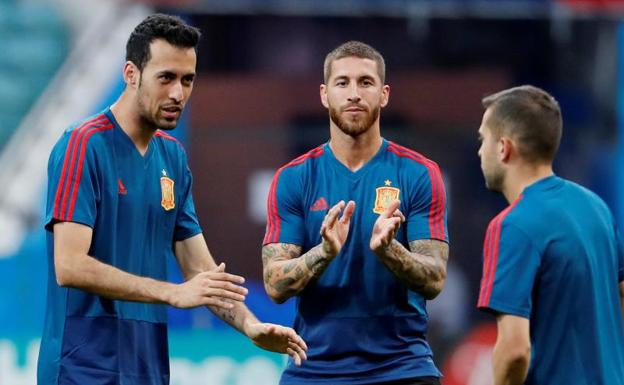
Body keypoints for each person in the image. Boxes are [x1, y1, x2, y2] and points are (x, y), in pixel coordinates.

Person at [38, 14, 307, 385]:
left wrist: (251, 325)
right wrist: (173, 293)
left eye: (187, 80)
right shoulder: (83, 145)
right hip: (82, 368)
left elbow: (200, 273)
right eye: (165, 78)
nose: (178, 94)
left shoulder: (173, 158)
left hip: (147, 367)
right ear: (131, 74)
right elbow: (69, 265)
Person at [261, 41, 449, 385]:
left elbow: (435, 278)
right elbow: (274, 284)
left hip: (402, 369)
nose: (354, 94)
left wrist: (389, 251)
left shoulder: (419, 174)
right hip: (314, 369)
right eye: (342, 82)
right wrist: (324, 253)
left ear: (384, 94)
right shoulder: (294, 178)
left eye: (365, 82)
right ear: (324, 94)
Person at [476, 85, 624, 384]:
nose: (480, 150)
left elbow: (515, 350)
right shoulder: (596, 208)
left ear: (504, 147)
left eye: (483, 139)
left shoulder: (512, 225)